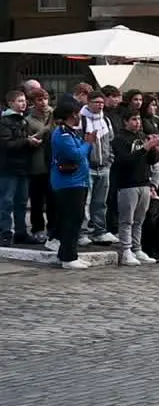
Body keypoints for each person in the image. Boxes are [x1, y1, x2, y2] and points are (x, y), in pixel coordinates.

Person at [110, 109, 159, 265]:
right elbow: (125, 161)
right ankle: (125, 250)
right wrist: (145, 148)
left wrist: (156, 150)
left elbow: (151, 161)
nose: (137, 122)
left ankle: (136, 248)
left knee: (139, 220)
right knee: (127, 220)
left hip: (144, 183)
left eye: (139, 119)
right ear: (126, 121)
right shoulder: (120, 139)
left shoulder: (141, 137)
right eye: (133, 119)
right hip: (128, 184)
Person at [49, 102, 92, 270]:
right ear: (72, 114)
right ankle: (68, 257)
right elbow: (76, 155)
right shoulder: (62, 134)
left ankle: (68, 253)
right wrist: (87, 143)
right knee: (71, 220)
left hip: (78, 181)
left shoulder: (71, 133)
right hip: (68, 183)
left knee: (75, 218)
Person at [0, 89, 40, 246]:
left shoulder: (24, 121)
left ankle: (21, 232)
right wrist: (26, 142)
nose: (23, 103)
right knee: (6, 201)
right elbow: (5, 145)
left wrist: (32, 143)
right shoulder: (4, 122)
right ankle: (5, 232)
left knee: (22, 202)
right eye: (19, 101)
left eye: (24, 101)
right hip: (8, 168)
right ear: (11, 103)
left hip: (24, 167)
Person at [79, 89, 117, 244]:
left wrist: (109, 160)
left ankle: (99, 230)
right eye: (96, 102)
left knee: (100, 202)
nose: (100, 105)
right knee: (85, 202)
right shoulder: (82, 120)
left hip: (104, 167)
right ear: (89, 103)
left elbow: (110, 141)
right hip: (88, 167)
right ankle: (82, 232)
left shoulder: (105, 121)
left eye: (102, 102)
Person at [26, 87, 56, 245]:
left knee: (53, 200)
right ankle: (37, 229)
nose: (43, 102)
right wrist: (42, 132)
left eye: (45, 99)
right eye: (39, 99)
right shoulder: (29, 120)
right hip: (37, 164)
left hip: (54, 163)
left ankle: (52, 228)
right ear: (33, 102)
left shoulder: (54, 115)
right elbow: (28, 140)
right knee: (37, 200)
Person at [140, 95, 159, 188]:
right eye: (153, 105)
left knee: (154, 186)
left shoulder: (157, 119)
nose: (155, 108)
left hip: (158, 156)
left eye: (156, 105)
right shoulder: (139, 119)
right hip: (146, 156)